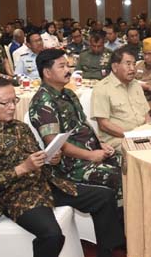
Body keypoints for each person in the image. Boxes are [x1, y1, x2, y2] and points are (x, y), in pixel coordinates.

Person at [0, 77, 135, 257]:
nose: (12, 107)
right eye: (6, 103)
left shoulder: (21, 127)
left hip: (46, 184)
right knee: (51, 234)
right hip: (16, 196)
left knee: (104, 196)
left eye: (14, 101)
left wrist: (50, 159)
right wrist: (23, 168)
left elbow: (39, 159)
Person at [30, 49, 123, 204]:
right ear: (47, 72)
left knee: (129, 165)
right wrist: (90, 156)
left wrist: (100, 143)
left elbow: (83, 124)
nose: (68, 70)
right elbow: (55, 144)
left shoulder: (68, 94)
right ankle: (120, 217)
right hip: (71, 165)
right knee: (118, 176)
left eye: (68, 65)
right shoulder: (44, 102)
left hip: (91, 152)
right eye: (62, 66)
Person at [91, 46, 149, 151]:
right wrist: (131, 135)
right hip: (119, 139)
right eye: (128, 64)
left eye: (134, 64)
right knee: (144, 152)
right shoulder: (102, 88)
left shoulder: (135, 84)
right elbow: (103, 124)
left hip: (142, 136)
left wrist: (149, 132)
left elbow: (146, 114)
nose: (132, 69)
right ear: (115, 67)